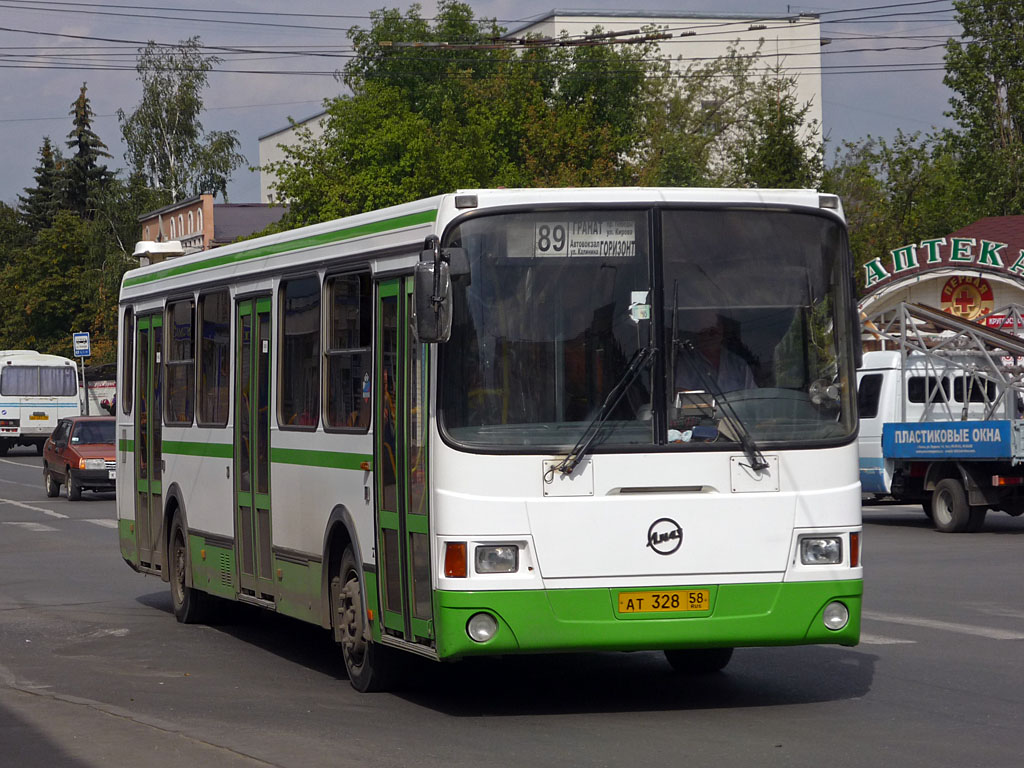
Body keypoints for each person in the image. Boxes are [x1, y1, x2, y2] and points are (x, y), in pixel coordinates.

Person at [674, 309, 756, 393]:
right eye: (702, 332)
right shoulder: (686, 363)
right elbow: (681, 395)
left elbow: (753, 398)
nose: (708, 337)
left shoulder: (739, 365)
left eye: (712, 332)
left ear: (721, 331)